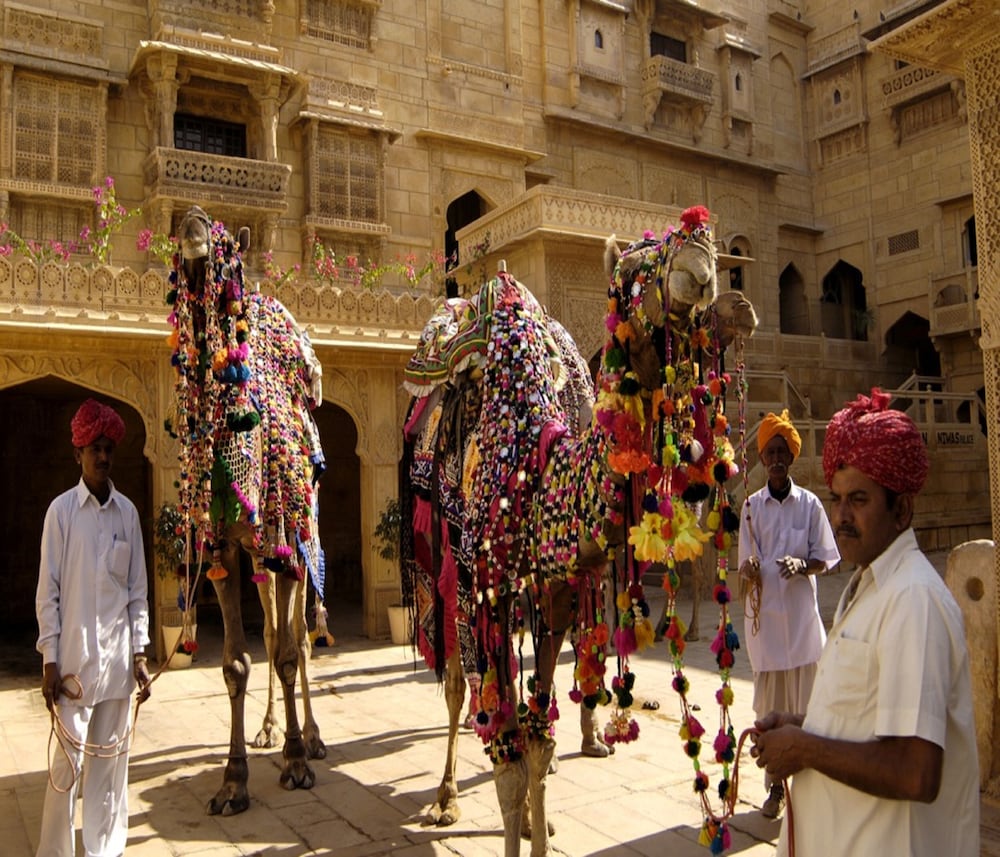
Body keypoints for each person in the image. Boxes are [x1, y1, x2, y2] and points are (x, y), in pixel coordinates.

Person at [752, 389, 979, 856]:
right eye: (836, 499)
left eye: (858, 499)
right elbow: (867, 721)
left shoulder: (912, 598)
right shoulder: (871, 586)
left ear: (902, 510)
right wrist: (804, 725)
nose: (840, 516)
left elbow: (915, 771)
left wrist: (805, 749)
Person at [35, 398, 151, 857]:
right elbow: (48, 593)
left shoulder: (128, 514)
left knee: (111, 768)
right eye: (94, 449)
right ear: (78, 454)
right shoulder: (61, 513)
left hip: (118, 668)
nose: (102, 456)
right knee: (66, 770)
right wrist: (49, 659)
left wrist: (140, 653)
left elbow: (137, 592)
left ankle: (105, 849)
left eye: (108, 449)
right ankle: (57, 851)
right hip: (74, 668)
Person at [737, 410, 840, 818]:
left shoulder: (810, 505)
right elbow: (746, 563)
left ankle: (811, 791)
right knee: (769, 714)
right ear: (763, 458)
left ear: (791, 457)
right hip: (766, 630)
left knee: (809, 711)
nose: (777, 459)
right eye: (771, 452)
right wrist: (749, 568)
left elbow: (825, 557)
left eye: (783, 452)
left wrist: (803, 565)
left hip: (801, 629)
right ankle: (776, 788)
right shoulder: (750, 508)